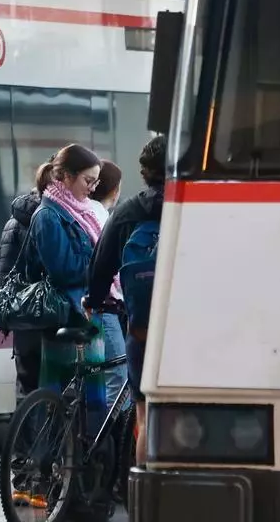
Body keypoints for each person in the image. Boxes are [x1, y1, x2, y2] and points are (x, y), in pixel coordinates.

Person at [86, 135, 166, 467]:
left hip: (143, 330)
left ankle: (146, 488)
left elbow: (101, 264)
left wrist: (94, 299)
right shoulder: (197, 206)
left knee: (146, 417)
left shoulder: (127, 211)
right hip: (193, 334)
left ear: (144, 172)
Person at [30, 145, 105, 413]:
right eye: (88, 180)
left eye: (96, 182)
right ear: (67, 176)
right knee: (62, 400)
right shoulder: (49, 215)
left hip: (83, 308)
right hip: (67, 313)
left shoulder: (78, 211)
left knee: (90, 397)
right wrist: (101, 262)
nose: (92, 189)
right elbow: (64, 269)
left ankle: (82, 438)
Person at [0, 183, 43, 407]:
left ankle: (25, 429)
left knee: (26, 386)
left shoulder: (12, 221)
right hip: (47, 314)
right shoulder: (49, 219)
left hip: (19, 315)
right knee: (52, 386)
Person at [86, 160, 127, 410]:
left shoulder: (88, 211)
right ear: (115, 189)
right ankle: (111, 433)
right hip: (104, 306)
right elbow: (108, 264)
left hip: (92, 305)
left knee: (98, 379)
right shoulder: (101, 216)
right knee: (118, 378)